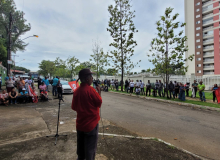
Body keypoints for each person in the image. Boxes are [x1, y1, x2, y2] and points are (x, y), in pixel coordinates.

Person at [71, 69, 102, 160]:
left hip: (80, 125)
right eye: (91, 77)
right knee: (90, 150)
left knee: (81, 151)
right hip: (91, 125)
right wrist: (99, 92)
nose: (92, 78)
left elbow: (74, 107)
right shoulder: (91, 90)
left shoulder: (77, 91)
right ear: (87, 79)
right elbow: (99, 103)